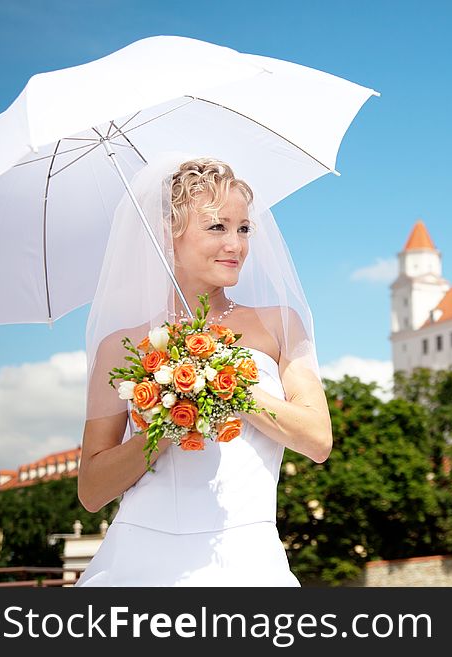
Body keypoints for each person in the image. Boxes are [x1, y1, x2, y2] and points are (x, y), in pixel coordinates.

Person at [75, 154, 332, 586]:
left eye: (243, 228)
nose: (237, 244)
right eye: (217, 227)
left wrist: (227, 386)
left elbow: (318, 440)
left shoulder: (278, 324)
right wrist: (165, 426)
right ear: (166, 235)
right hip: (137, 565)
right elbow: (92, 491)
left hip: (247, 562)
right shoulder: (117, 347)